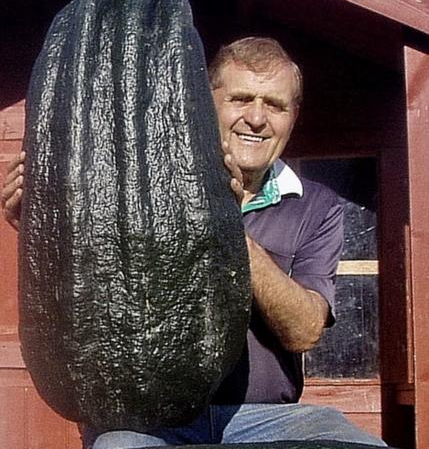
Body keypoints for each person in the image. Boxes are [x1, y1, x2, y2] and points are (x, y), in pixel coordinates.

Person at [1, 37, 386, 448]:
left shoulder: (318, 206)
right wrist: (47, 234)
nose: (257, 118)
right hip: (152, 418)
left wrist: (228, 229)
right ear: (205, 102)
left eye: (275, 105)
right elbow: (95, 302)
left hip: (266, 416)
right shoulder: (139, 186)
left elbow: (304, 332)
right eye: (241, 99)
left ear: (293, 115)